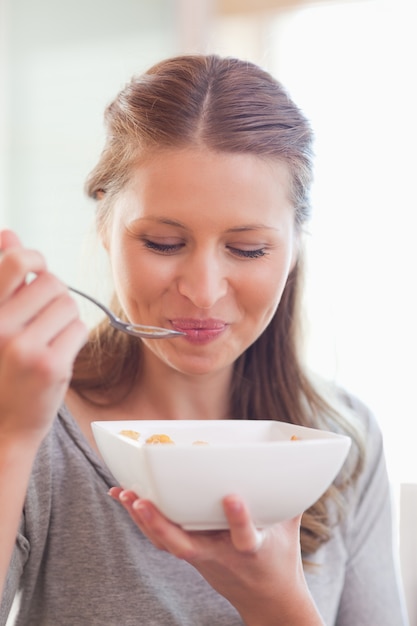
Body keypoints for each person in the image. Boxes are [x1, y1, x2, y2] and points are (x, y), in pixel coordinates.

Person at [0, 54, 409, 626]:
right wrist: (12, 434)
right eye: (164, 242)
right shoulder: (34, 424)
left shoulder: (346, 439)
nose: (203, 291)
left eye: (247, 250)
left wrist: (277, 605)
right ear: (104, 227)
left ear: (294, 247)